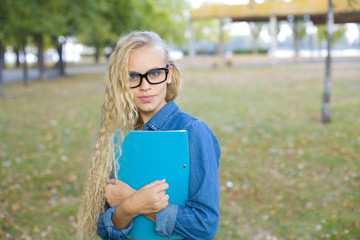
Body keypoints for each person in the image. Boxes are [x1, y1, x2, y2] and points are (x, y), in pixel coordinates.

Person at [77, 31, 221, 240]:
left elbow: (204, 225)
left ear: (169, 73)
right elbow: (103, 227)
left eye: (154, 73)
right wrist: (126, 209)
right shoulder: (119, 138)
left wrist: (132, 201)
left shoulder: (194, 132)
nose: (145, 86)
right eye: (133, 76)